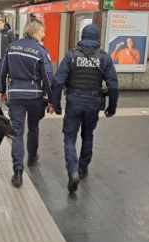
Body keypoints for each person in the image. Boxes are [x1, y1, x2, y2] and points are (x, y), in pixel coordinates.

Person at [52, 24, 118, 193]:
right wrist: (112, 106)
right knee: (88, 134)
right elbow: (113, 85)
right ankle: (82, 168)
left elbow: (59, 81)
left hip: (74, 100)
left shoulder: (71, 55)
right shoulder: (105, 57)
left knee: (69, 138)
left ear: (82, 36)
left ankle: (72, 170)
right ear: (97, 38)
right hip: (94, 102)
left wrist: (57, 104)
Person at [0, 18, 55, 188]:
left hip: (15, 94)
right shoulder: (40, 50)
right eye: (42, 31)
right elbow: (48, 76)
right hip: (35, 96)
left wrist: (2, 90)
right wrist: (52, 100)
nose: (44, 34)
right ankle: (32, 157)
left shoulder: (12, 47)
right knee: (34, 127)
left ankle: (17, 171)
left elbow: (2, 72)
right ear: (34, 31)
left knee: (17, 132)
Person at [0, 18, 15, 96]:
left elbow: (12, 44)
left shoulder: (9, 33)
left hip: (6, 58)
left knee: (8, 74)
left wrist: (10, 54)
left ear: (4, 24)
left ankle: (9, 90)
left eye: (0, 23)